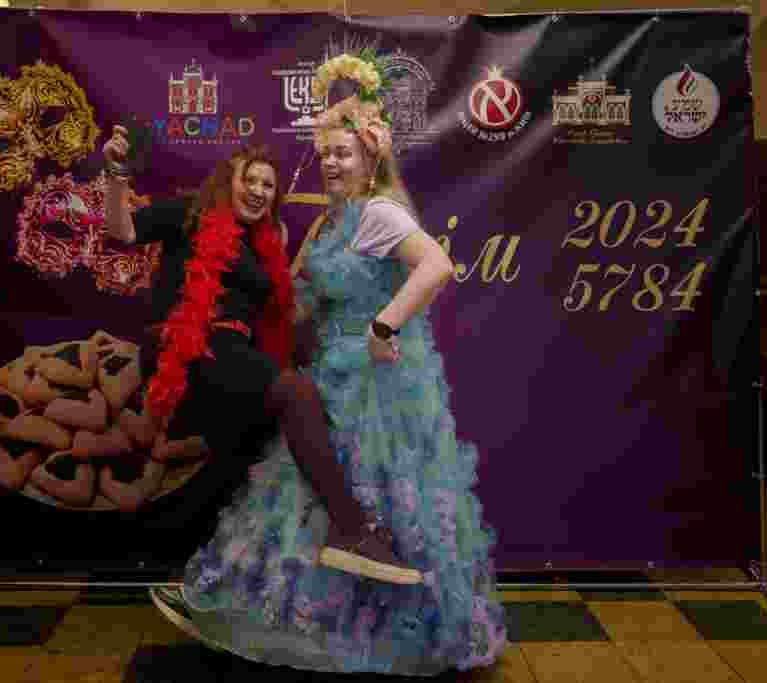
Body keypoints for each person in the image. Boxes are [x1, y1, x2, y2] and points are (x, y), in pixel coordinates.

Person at [148, 48, 509, 675]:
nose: (332, 163)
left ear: (371, 157)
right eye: (326, 154)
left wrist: (382, 325)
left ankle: (396, 634)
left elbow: (436, 267)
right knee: (305, 492)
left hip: (374, 383)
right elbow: (293, 305)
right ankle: (286, 619)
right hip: (326, 378)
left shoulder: (378, 211)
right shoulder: (330, 224)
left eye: (345, 153)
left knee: (382, 494)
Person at [102, 134, 421, 584]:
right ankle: (350, 530)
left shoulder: (265, 247)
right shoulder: (191, 215)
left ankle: (215, 581)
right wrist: (116, 173)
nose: (257, 190)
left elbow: (284, 321)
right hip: (186, 352)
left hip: (235, 358)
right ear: (227, 183)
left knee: (254, 458)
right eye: (248, 180)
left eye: (268, 185)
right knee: (293, 392)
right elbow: (122, 231)